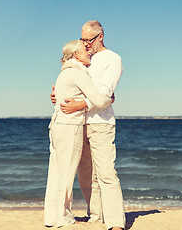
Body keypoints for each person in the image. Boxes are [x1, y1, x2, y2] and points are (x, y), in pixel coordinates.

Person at [51, 21, 125, 230]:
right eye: (82, 39)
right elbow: (74, 86)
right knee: (85, 174)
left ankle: (115, 222)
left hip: (100, 123)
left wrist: (80, 105)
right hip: (77, 124)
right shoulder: (85, 58)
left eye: (88, 40)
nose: (85, 44)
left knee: (106, 173)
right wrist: (59, 97)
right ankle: (96, 215)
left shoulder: (113, 59)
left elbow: (105, 93)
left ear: (100, 36)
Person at [44, 40, 113, 228]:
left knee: (57, 173)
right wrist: (110, 98)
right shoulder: (76, 73)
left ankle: (52, 216)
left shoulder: (66, 72)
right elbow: (99, 100)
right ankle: (62, 217)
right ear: (75, 54)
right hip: (69, 127)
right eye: (85, 49)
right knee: (66, 174)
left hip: (58, 126)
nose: (88, 51)